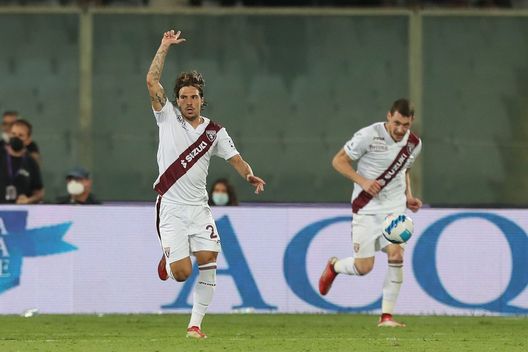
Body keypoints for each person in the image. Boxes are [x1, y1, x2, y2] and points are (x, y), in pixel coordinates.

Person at [146, 30, 266, 339]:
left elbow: (235, 158)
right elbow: (151, 82)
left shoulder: (215, 132)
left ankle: (194, 325)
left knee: (209, 260)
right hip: (171, 206)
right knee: (182, 273)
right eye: (183, 97)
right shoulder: (167, 118)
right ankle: (169, 261)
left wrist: (249, 174)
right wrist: (163, 46)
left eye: (194, 96)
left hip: (199, 208)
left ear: (202, 99)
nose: (188, 102)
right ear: (176, 100)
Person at [318, 98, 422, 328]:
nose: (400, 129)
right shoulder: (368, 135)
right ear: (388, 116)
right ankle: (334, 266)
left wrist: (409, 197)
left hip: (395, 209)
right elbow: (338, 161)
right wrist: (363, 181)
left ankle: (386, 317)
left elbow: (404, 170)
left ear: (411, 121)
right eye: (396, 123)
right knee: (364, 267)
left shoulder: (414, 143)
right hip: (366, 208)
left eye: (405, 124)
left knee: (396, 255)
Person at [0, 120, 44, 204]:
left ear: (28, 140)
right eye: (13, 134)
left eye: (20, 135)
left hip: (20, 211)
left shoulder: (31, 162)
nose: (16, 137)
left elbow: (39, 193)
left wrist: (28, 200)